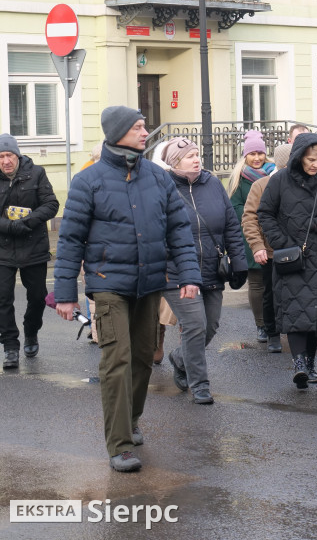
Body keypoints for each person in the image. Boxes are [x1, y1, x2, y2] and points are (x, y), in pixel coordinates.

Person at [53, 107, 201, 472]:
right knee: (116, 359)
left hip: (149, 282)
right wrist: (65, 293)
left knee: (142, 357)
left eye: (144, 126)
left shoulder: (157, 176)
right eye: (137, 127)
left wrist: (189, 275)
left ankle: (131, 421)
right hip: (107, 284)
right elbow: (70, 239)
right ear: (118, 132)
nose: (144, 131)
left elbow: (179, 229)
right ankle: (119, 444)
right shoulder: (89, 181)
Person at [160, 138, 247, 404]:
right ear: (175, 162)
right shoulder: (162, 188)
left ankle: (179, 357)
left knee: (211, 326)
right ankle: (200, 384)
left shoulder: (212, 183)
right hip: (176, 272)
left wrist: (239, 260)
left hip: (212, 268)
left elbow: (231, 224)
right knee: (195, 326)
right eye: (189, 156)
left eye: (197, 154)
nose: (197, 159)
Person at [258, 133, 317, 388]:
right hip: (291, 257)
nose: (315, 165)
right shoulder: (280, 181)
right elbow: (265, 214)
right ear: (299, 157)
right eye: (310, 159)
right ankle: (298, 363)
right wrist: (283, 242)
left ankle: (309, 364)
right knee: (296, 308)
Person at [0, 134, 59, 369]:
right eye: (1, 156)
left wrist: (27, 222)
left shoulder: (37, 173)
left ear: (18, 156)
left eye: (9, 155)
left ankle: (31, 331)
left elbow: (51, 204)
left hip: (33, 245)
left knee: (37, 296)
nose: (5, 161)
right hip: (2, 248)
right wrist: (9, 226)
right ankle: (10, 347)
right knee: (2, 299)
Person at [241, 143, 292, 354]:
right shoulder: (261, 185)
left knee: (295, 293)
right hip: (270, 251)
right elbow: (250, 217)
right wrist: (257, 246)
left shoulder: (303, 183)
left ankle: (294, 331)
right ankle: (272, 333)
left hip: (297, 249)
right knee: (270, 294)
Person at [228, 130, 275, 343]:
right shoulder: (240, 177)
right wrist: (256, 216)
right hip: (251, 236)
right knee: (256, 283)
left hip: (274, 236)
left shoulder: (275, 173)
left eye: (260, 153)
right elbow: (235, 206)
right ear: (245, 155)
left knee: (275, 283)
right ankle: (261, 324)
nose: (257, 158)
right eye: (252, 154)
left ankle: (276, 321)